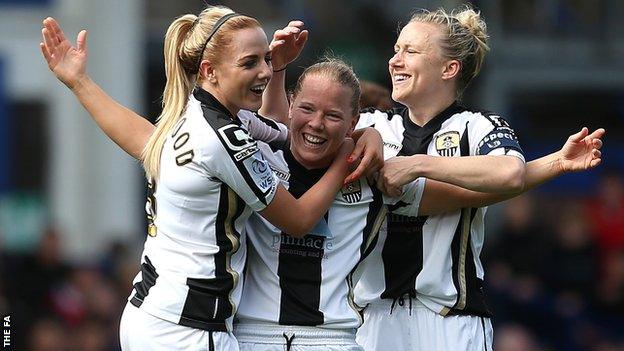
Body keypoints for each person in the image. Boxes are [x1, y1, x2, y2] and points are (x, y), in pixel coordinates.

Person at [259, 5, 605, 351]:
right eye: (396, 50)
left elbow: (510, 173)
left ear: (449, 68)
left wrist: (418, 164)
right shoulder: (375, 126)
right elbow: (285, 138)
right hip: (371, 318)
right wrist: (277, 70)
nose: (395, 60)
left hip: (450, 319)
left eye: (410, 51)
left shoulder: (477, 125)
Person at [41, 7, 356, 350]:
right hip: (189, 328)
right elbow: (297, 219)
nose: (264, 71)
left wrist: (80, 82)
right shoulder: (224, 138)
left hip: (151, 316)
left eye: (266, 59)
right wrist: (347, 156)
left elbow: (143, 139)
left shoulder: (196, 112)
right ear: (210, 71)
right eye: (250, 63)